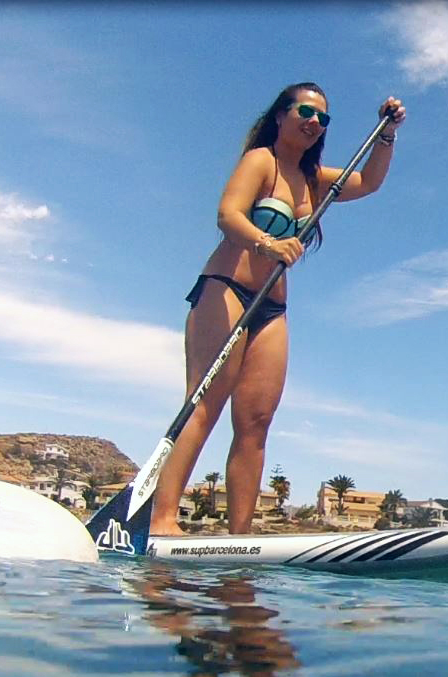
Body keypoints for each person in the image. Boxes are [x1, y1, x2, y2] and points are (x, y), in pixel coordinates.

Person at [149, 82, 406, 536]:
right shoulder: (260, 160)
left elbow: (368, 182)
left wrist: (386, 134)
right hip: (226, 289)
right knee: (205, 404)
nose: (314, 122)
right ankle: (162, 519)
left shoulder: (314, 179)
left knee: (256, 422)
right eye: (306, 112)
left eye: (323, 118)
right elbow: (228, 216)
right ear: (281, 116)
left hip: (272, 308)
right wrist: (267, 243)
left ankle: (240, 538)